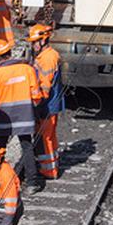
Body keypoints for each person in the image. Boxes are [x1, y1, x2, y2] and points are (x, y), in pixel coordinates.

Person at [0, 38, 45, 190]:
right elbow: (36, 95)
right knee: (27, 146)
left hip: (3, 117)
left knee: (0, 147)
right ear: (10, 52)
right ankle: (32, 182)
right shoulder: (27, 69)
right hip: (25, 115)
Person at [30, 24, 65, 180]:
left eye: (35, 42)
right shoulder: (45, 56)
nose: (33, 45)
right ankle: (49, 166)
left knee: (46, 138)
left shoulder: (48, 58)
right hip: (48, 103)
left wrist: (37, 103)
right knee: (46, 136)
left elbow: (45, 85)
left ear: (43, 40)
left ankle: (49, 171)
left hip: (47, 104)